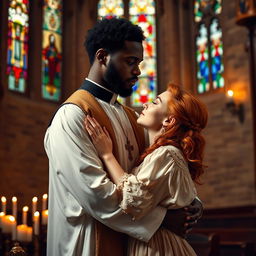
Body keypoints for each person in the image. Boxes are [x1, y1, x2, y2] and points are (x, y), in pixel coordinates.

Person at [44, 18, 203, 256]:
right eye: (130, 62)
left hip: (131, 243)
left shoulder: (132, 118)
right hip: (85, 241)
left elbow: (156, 176)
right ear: (102, 57)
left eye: (139, 62)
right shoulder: (71, 116)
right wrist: (163, 220)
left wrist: (188, 202)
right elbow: (97, 196)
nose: (138, 71)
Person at [84, 82, 208, 255]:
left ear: (169, 120)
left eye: (155, 102)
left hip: (160, 247)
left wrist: (107, 155)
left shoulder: (168, 154)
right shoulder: (163, 153)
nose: (145, 104)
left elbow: (135, 200)